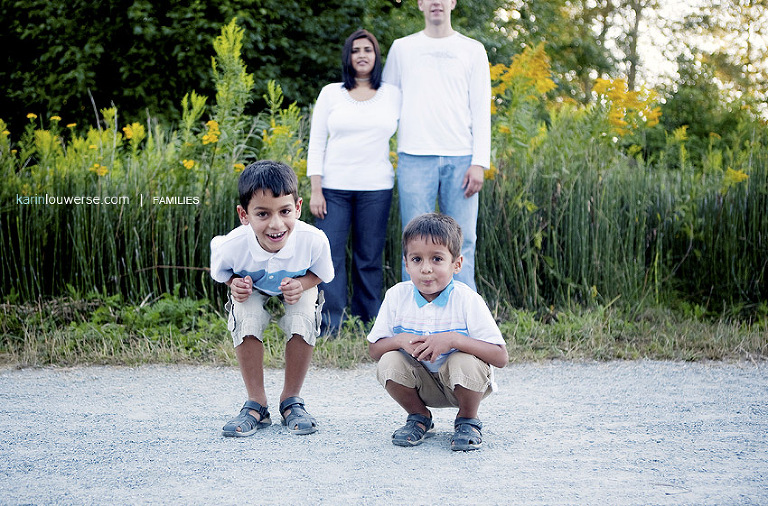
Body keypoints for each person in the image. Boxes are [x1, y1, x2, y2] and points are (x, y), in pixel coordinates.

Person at [210, 160, 334, 437]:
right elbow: (223, 273)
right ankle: (257, 403)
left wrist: (301, 284)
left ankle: (291, 400)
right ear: (244, 215)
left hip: (297, 285)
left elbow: (320, 275)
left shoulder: (314, 240)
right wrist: (235, 284)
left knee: (302, 316)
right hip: (253, 286)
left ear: (298, 208)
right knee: (247, 316)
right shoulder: (232, 244)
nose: (276, 224)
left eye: (285, 211)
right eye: (263, 214)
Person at [367, 213, 508, 451]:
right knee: (388, 360)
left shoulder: (467, 300)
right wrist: (400, 340)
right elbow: (374, 350)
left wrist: (454, 340)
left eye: (437, 259)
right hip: (420, 383)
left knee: (464, 359)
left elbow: (500, 357)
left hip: (461, 385)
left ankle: (467, 420)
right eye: (417, 259)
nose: (426, 269)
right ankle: (419, 417)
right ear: (406, 264)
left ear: (457, 264)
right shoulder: (396, 296)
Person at [382, 0, 491, 290]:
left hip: (462, 158)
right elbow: (388, 104)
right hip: (414, 157)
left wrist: (479, 162)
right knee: (415, 242)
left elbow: (481, 109)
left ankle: (462, 316)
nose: (436, 3)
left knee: (463, 241)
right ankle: (414, 314)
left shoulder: (472, 49)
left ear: (452, 2)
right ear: (419, 3)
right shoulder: (402, 48)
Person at [307, 29, 401, 334]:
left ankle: (369, 322)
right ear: (348, 57)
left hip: (377, 188)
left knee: (369, 257)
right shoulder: (331, 93)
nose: (362, 55)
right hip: (333, 190)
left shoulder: (392, 94)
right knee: (329, 255)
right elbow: (317, 142)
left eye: (368, 50)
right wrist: (316, 189)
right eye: (356, 50)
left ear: (376, 56)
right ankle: (331, 323)